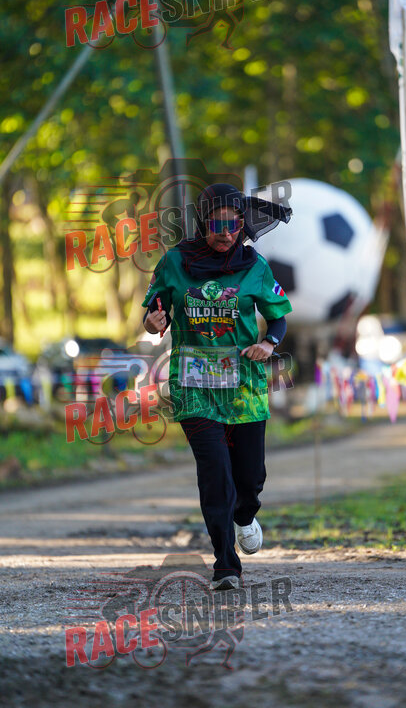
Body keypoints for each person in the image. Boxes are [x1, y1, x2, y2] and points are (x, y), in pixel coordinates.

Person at [142, 183, 292, 590]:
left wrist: (268, 343)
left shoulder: (254, 266)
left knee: (250, 478)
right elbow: (154, 310)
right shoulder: (175, 262)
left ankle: (245, 515)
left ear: (242, 224)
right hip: (194, 387)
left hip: (243, 387)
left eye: (233, 225)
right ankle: (226, 564)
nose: (225, 233)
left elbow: (278, 317)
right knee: (215, 475)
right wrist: (154, 323)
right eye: (216, 224)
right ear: (202, 223)